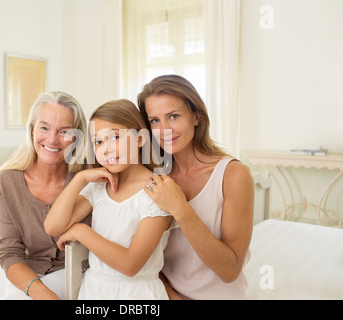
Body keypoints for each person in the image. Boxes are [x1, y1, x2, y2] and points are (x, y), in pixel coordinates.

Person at [138, 75, 254, 300]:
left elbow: (230, 271)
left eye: (173, 116)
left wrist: (180, 209)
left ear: (196, 117)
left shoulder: (234, 175)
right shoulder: (153, 177)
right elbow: (147, 259)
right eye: (154, 121)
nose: (164, 130)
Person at [44, 99, 173, 300]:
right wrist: (80, 179)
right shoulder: (98, 188)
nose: (106, 149)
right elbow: (53, 226)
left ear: (140, 139)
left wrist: (80, 230)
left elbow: (130, 265)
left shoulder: (157, 192)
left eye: (115, 137)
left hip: (137, 295)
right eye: (98, 141)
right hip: (94, 291)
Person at [0, 91, 90, 300]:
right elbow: (10, 253)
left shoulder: (90, 175)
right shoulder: (6, 181)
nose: (52, 139)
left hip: (79, 273)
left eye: (64, 131)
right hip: (28, 274)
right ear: (32, 130)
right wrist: (41, 293)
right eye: (44, 127)